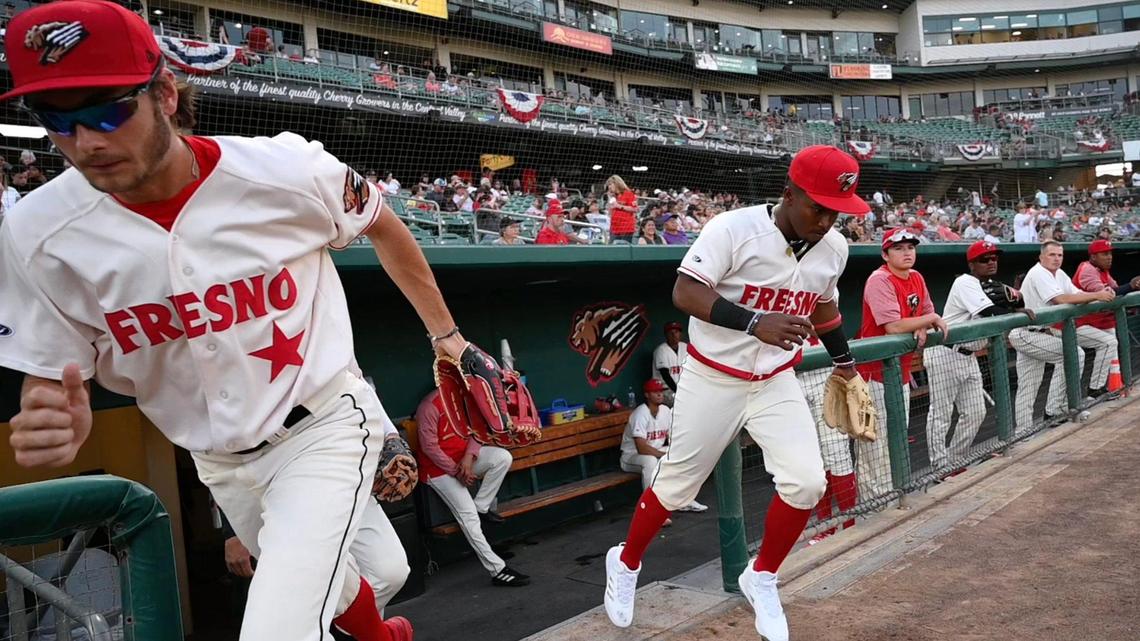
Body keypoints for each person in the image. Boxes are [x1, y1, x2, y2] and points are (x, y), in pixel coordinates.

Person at [0, 4, 472, 639]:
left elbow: (382, 222)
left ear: (165, 94)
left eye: (108, 110)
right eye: (57, 119)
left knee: (276, 628)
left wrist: (446, 336)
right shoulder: (36, 232)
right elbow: (49, 373)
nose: (86, 140)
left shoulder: (284, 172)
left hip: (324, 425)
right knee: (372, 576)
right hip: (216, 458)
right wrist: (54, 405)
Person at [603, 145, 871, 641]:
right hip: (712, 376)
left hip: (773, 380)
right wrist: (753, 322)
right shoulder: (734, 228)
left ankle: (762, 574)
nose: (828, 219)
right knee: (678, 486)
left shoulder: (834, 249)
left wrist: (846, 365)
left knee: (807, 482)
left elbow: (824, 309)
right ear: (788, 194)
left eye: (838, 211)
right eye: (818, 207)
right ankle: (626, 561)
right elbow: (685, 291)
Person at [855, 228, 947, 501]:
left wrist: (922, 324)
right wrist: (926, 322)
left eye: (910, 247)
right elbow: (894, 326)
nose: (907, 252)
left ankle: (893, 496)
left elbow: (924, 313)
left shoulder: (916, 277)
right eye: (898, 248)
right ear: (885, 254)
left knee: (895, 438)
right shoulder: (879, 279)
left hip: (900, 373)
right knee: (875, 443)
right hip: (873, 374)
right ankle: (874, 505)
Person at [927, 242, 1034, 473]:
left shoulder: (989, 285)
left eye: (994, 258)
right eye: (985, 259)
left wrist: (1017, 302)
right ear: (972, 264)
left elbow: (1019, 301)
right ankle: (939, 467)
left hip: (968, 356)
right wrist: (1013, 310)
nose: (991, 262)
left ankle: (955, 461)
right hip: (945, 353)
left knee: (976, 411)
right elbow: (990, 313)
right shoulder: (964, 282)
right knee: (941, 415)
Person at [414, 389, 530, 587]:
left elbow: (478, 432)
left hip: (463, 460)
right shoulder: (429, 406)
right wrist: (456, 470)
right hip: (438, 470)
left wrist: (468, 459)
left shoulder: (466, 397)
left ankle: (481, 505)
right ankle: (498, 570)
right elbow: (429, 447)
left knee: (502, 458)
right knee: (469, 517)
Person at [1011, 241, 1112, 431]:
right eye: (1052, 255)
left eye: (1060, 255)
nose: (1057, 259)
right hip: (1025, 333)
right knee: (1072, 354)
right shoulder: (1039, 273)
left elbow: (1076, 293)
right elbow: (1061, 299)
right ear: (1041, 257)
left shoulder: (1058, 273)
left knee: (1029, 386)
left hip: (1039, 332)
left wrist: (1099, 292)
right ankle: (1054, 410)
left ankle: (1041, 420)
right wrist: (1097, 295)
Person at [619, 379, 706, 513]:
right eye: (655, 392)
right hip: (631, 457)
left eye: (661, 391)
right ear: (647, 395)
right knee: (650, 461)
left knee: (679, 457)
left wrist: (675, 453)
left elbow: (674, 438)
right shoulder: (640, 414)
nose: (660, 394)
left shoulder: (665, 411)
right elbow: (641, 449)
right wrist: (664, 455)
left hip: (655, 452)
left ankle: (683, 501)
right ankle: (650, 508)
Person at [1073, 239, 1139, 396]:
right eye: (1104, 254)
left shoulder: (1102, 271)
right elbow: (1108, 294)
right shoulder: (1087, 269)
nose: (1109, 257)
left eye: (1110, 253)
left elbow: (1115, 289)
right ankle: (1094, 391)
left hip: (1093, 323)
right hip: (1075, 324)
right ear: (1093, 257)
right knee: (1108, 344)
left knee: (1111, 349)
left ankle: (1111, 388)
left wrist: (1131, 286)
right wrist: (1131, 285)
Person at [651, 321, 687, 407]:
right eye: (671, 333)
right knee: (682, 404)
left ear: (680, 334)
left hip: (682, 389)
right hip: (665, 391)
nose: (674, 335)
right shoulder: (661, 350)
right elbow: (665, 375)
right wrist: (678, 391)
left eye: (676, 332)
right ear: (666, 335)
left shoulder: (685, 347)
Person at [606, 175, 638, 243]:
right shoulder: (613, 196)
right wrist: (610, 199)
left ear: (617, 183)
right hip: (614, 228)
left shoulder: (628, 194)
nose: (609, 187)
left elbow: (635, 209)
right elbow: (610, 213)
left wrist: (619, 206)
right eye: (608, 185)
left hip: (626, 229)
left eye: (610, 184)